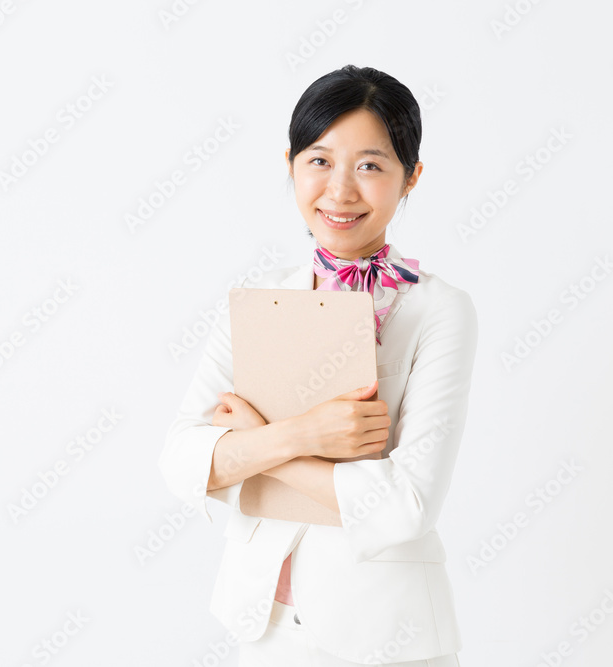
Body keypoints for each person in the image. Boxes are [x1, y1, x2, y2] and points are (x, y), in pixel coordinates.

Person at [159, 65, 477, 666]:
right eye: (320, 160)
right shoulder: (257, 302)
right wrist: (305, 435)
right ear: (291, 165)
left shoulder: (441, 311)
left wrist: (257, 445)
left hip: (386, 635)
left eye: (371, 165)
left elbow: (408, 504)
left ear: (411, 178)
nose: (340, 190)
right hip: (261, 628)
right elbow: (182, 462)